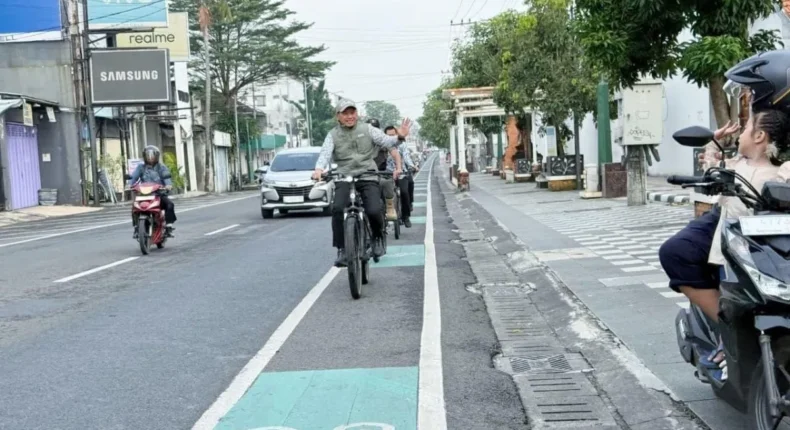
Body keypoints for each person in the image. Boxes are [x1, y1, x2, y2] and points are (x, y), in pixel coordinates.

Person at [658, 51, 790, 381]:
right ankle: (728, 330)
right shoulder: (743, 162)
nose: (746, 106)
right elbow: (715, 170)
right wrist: (715, 148)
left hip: (770, 230)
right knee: (680, 253)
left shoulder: (781, 163)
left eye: (750, 98)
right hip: (737, 226)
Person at [313, 100, 411, 267]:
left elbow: (386, 141)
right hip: (345, 176)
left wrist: (399, 136)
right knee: (337, 209)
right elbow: (325, 154)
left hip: (368, 175)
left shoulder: (368, 129)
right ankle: (342, 249)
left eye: (352, 113)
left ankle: (377, 238)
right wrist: (319, 169)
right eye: (345, 113)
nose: (350, 116)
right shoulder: (332, 135)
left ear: (357, 114)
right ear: (338, 116)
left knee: (373, 210)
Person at [128, 145, 176, 238]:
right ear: (144, 156)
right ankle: (136, 228)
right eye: (148, 155)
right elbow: (133, 177)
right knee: (134, 208)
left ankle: (169, 227)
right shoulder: (140, 167)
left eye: (152, 155)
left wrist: (168, 185)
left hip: (158, 194)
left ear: (156, 156)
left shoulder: (161, 167)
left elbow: (166, 178)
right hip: (143, 195)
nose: (150, 158)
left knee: (170, 205)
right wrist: (129, 184)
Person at [367, 119, 404, 221]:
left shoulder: (383, 141)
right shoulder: (360, 141)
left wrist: (399, 168)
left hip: (381, 172)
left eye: (374, 129)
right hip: (364, 173)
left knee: (386, 182)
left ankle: (390, 207)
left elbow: (395, 154)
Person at [384, 125, 416, 227]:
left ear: (397, 135)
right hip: (386, 174)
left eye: (393, 135)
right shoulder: (381, 145)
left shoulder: (402, 145)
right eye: (388, 135)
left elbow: (406, 156)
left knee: (404, 192)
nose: (391, 138)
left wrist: (411, 166)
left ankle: (406, 216)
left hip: (401, 173)